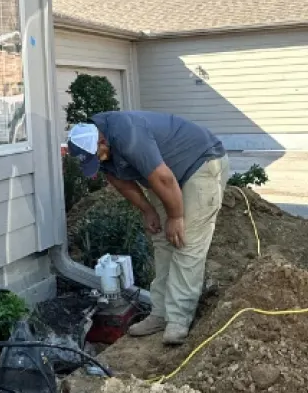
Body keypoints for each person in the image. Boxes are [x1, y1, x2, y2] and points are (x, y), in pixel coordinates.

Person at [67, 111, 230, 345]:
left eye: (98, 155)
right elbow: (120, 181)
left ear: (102, 141)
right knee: (163, 241)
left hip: (200, 164)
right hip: (164, 176)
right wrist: (147, 209)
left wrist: (176, 216)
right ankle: (161, 313)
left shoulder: (128, 134)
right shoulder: (97, 144)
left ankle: (178, 319)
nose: (99, 161)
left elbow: (163, 179)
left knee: (186, 241)